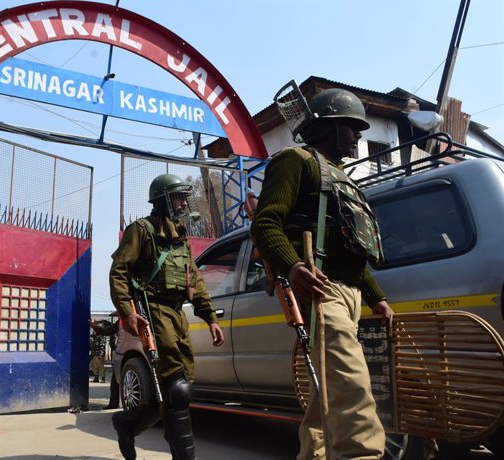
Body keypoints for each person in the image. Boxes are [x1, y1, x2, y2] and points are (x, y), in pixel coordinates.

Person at [250, 88, 394, 459]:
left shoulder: (342, 178)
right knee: (354, 394)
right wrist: (293, 266)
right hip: (320, 290)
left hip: (349, 297)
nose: (359, 136)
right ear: (330, 127)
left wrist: (377, 298)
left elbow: (351, 251)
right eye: (352, 128)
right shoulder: (296, 161)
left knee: (327, 396)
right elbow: (265, 224)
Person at [109, 173, 225, 460]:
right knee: (178, 389)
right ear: (163, 201)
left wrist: (210, 317)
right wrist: (129, 313)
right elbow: (119, 272)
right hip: (154, 310)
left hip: (177, 314)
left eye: (184, 197)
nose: (185, 202)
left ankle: (128, 424)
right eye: (178, 197)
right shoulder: (142, 230)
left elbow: (194, 281)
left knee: (177, 390)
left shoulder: (180, 237)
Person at [90, 317, 121, 409]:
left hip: (122, 351)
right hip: (122, 351)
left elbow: (108, 331)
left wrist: (94, 326)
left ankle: (115, 403)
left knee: (116, 379)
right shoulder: (122, 320)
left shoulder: (124, 319)